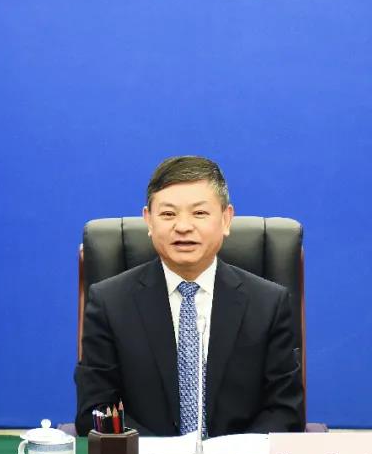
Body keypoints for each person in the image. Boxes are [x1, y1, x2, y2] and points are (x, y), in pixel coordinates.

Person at [74, 156, 305, 436]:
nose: (183, 226)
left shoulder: (269, 304)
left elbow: (285, 411)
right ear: (148, 221)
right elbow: (96, 411)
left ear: (226, 219)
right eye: (168, 214)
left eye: (199, 213)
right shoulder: (109, 303)